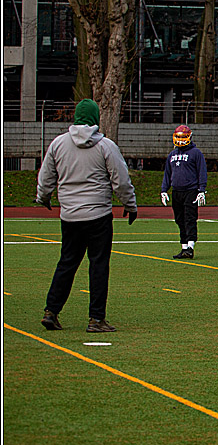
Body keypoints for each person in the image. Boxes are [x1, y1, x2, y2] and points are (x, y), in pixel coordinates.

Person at [37, 98, 137, 333]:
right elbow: (121, 180)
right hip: (98, 214)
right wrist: (130, 204)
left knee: (67, 263)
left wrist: (44, 197)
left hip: (70, 215)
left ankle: (51, 311)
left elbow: (46, 176)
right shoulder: (105, 146)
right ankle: (96, 318)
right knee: (98, 265)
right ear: (95, 119)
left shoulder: (58, 144)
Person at [159, 124, 207, 260]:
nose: (180, 140)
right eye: (178, 137)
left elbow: (202, 171)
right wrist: (164, 190)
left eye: (183, 137)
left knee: (190, 218)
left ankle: (190, 247)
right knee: (179, 219)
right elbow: (167, 173)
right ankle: (184, 246)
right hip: (176, 191)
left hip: (191, 190)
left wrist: (202, 189)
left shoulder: (196, 153)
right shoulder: (172, 154)